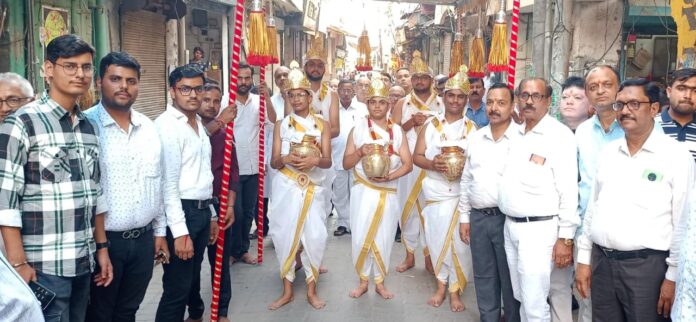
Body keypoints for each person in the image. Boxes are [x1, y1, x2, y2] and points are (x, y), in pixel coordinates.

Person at [0, 34, 112, 322]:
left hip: (82, 261)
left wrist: (101, 249)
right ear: (49, 69)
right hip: (43, 266)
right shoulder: (22, 122)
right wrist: (18, 263)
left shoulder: (88, 126)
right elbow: (6, 201)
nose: (80, 74)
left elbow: (95, 193)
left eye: (86, 67)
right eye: (70, 66)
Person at [575, 78, 694, 322]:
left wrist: (672, 276)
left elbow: (683, 221)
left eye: (634, 104)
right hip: (603, 263)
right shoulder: (609, 153)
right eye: (620, 105)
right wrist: (584, 260)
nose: (625, 111)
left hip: (647, 268)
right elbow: (592, 211)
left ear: (653, 109)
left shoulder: (675, 155)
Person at [83, 51, 167, 321]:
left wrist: (159, 232)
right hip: (105, 242)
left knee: (129, 311)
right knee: (100, 313)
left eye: (131, 81)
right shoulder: (85, 126)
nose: (124, 87)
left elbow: (159, 182)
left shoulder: (148, 127)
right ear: (99, 82)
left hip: (142, 241)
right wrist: (102, 247)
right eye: (115, 79)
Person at [499, 77, 579, 321]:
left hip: (539, 229)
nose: (529, 101)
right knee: (523, 295)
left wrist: (566, 237)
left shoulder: (559, 135)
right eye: (524, 95)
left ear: (548, 101)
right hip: (511, 226)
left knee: (535, 302)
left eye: (536, 96)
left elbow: (568, 189)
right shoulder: (517, 133)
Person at [267, 67, 332, 310]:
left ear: (309, 96)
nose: (296, 99)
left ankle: (311, 290)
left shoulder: (321, 124)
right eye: (291, 95)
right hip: (287, 185)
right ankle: (287, 291)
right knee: (284, 236)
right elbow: (274, 161)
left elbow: (327, 161)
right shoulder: (281, 124)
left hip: (313, 187)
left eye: (300, 94)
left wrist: (314, 160)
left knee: (315, 236)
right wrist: (286, 158)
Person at [154, 64, 214, 322]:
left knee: (190, 279)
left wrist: (210, 214)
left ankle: (195, 315)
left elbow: (203, 175)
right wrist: (179, 233)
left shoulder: (198, 123)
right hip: (181, 213)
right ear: (172, 91)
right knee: (177, 288)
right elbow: (167, 184)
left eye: (198, 89)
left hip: (201, 210)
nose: (193, 95)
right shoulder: (167, 126)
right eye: (185, 89)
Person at [343, 78, 412, 300]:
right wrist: (361, 151)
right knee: (361, 235)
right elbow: (345, 164)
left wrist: (389, 177)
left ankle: (380, 282)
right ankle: (363, 281)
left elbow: (408, 164)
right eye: (373, 102)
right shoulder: (358, 129)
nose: (377, 107)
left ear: (388, 105)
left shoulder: (398, 132)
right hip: (363, 191)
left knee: (384, 236)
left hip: (388, 192)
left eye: (382, 102)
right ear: (368, 104)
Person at [414, 67, 476, 311]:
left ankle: (455, 290)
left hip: (462, 195)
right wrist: (433, 164)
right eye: (451, 95)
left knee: (461, 245)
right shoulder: (430, 126)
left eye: (461, 96)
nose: (455, 101)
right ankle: (441, 286)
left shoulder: (473, 130)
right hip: (436, 192)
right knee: (438, 240)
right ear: (443, 97)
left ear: (466, 99)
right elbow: (417, 157)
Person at [459, 83, 521, 322]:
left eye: (502, 103)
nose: (494, 108)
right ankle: (489, 317)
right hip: (479, 218)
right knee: (483, 275)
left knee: (509, 276)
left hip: (507, 219)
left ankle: (513, 318)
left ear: (512, 106)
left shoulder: (521, 138)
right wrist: (465, 217)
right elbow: (466, 179)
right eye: (491, 102)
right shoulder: (476, 137)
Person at [572, 65, 624, 322]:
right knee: (587, 301)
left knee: (622, 304)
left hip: (628, 236)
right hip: (587, 231)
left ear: (618, 88)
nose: (600, 91)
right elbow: (575, 182)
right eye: (593, 87)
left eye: (607, 84)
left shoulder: (638, 129)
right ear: (587, 94)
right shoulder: (582, 132)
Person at [185, 81, 238, 322]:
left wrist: (229, 204)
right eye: (207, 100)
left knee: (219, 261)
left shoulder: (226, 134)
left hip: (218, 202)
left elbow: (232, 174)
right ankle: (195, 310)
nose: (212, 105)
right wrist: (220, 123)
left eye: (217, 101)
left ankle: (222, 310)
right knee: (192, 266)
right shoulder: (189, 130)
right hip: (194, 207)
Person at [391, 50, 442, 274]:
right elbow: (391, 133)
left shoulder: (442, 102)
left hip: (433, 165)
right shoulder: (402, 103)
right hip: (409, 164)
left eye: (424, 78)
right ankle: (409, 255)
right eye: (416, 78)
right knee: (407, 208)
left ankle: (430, 255)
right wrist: (410, 122)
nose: (420, 81)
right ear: (411, 81)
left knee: (431, 211)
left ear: (431, 80)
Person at [228, 63, 276, 264]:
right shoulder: (225, 101)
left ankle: (242, 250)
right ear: (234, 78)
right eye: (240, 78)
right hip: (232, 168)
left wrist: (267, 99)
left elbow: (274, 122)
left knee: (249, 212)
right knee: (235, 212)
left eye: (247, 78)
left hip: (255, 166)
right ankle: (231, 251)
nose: (244, 82)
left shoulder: (260, 102)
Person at [332, 79, 368, 237]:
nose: (346, 93)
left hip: (356, 158)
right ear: (338, 92)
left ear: (353, 91)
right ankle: (343, 223)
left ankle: (356, 223)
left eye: (348, 90)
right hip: (336, 157)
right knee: (339, 194)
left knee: (356, 192)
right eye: (342, 90)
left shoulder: (362, 109)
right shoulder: (332, 109)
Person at [656, 68, 696, 161]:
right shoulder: (650, 126)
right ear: (669, 92)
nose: (688, 96)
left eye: (695, 91)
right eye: (681, 89)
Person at [304, 36, 339, 138]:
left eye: (320, 66)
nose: (316, 69)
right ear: (305, 67)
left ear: (324, 69)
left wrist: (314, 140)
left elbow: (335, 130)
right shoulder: (295, 93)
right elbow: (288, 124)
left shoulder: (332, 94)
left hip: (324, 150)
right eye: (312, 65)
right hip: (298, 148)